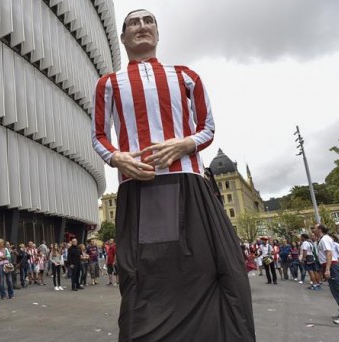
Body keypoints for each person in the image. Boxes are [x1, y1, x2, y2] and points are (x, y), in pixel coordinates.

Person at [91, 9, 255, 341]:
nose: (141, 26)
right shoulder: (108, 83)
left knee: (221, 267)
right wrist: (117, 158)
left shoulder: (186, 76)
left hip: (190, 183)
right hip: (139, 188)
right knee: (145, 274)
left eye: (148, 21)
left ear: (157, 33)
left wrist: (184, 144)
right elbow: (98, 136)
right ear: (122, 38)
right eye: (133, 23)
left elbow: (207, 128)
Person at [313, 224, 339, 325]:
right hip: (332, 266)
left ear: (320, 230)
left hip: (332, 267)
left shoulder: (325, 239)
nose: (313, 230)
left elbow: (329, 253)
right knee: (336, 291)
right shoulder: (324, 239)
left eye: (315, 228)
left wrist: (328, 269)